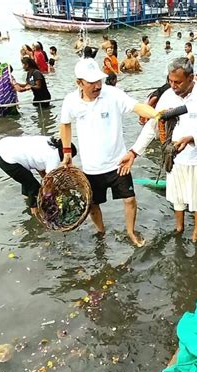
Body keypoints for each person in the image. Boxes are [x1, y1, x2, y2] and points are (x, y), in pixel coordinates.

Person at [59, 59, 159, 246]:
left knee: (129, 199)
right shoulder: (70, 101)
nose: (98, 86)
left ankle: (130, 231)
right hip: (91, 167)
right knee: (92, 205)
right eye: (92, 82)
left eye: (99, 81)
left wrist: (156, 114)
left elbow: (136, 106)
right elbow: (65, 124)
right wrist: (66, 152)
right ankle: (100, 230)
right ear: (79, 83)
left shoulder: (113, 94)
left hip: (118, 162)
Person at [124, 57, 197, 242]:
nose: (173, 85)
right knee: (178, 197)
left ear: (191, 78)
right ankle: (179, 227)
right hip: (174, 158)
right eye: (170, 81)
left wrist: (192, 138)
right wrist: (134, 152)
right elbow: (152, 127)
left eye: (178, 82)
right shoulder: (167, 96)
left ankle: (196, 235)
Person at [0, 136, 77, 216]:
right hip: (6, 159)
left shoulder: (50, 142)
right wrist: (50, 195)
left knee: (27, 180)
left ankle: (26, 200)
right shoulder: (54, 158)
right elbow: (48, 182)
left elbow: (41, 169)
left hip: (3, 145)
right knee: (35, 189)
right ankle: (36, 216)